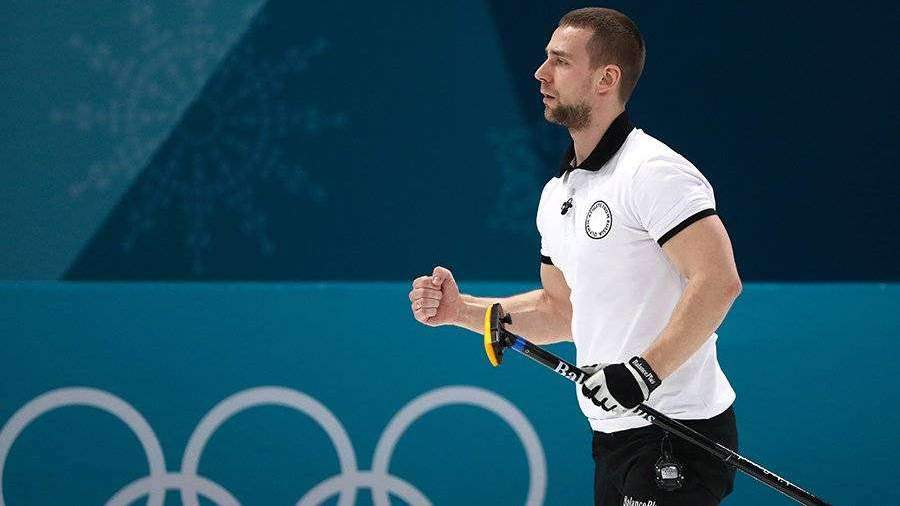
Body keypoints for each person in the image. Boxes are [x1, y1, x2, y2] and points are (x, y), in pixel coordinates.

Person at [409, 7, 742, 505]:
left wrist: (642, 373)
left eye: (560, 61)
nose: (540, 73)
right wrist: (462, 311)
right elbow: (560, 310)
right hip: (615, 437)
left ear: (606, 78)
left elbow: (717, 281)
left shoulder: (653, 171)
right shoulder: (558, 194)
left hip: (678, 432)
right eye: (547, 58)